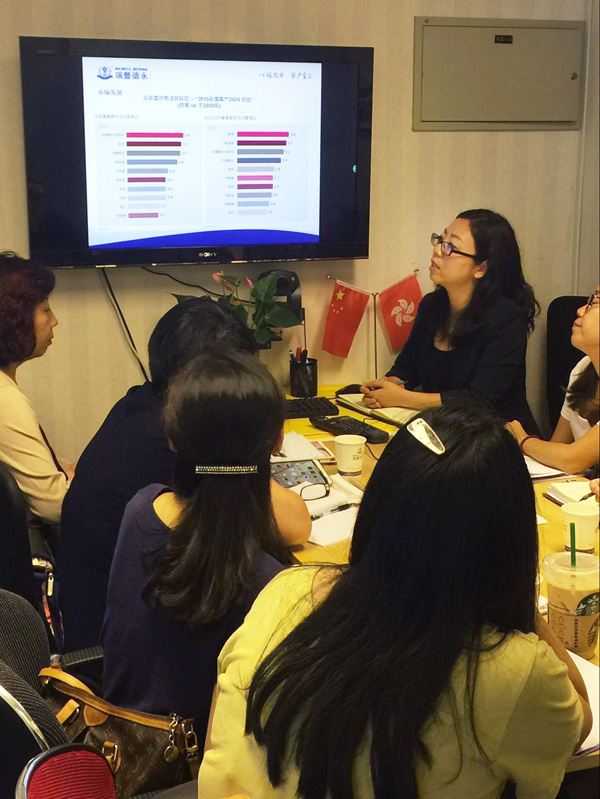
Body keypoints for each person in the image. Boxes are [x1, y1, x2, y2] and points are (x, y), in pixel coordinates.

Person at [198, 403, 592, 799]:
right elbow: (578, 721)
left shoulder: (287, 588)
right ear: (510, 540)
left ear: (377, 509)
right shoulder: (516, 672)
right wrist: (515, 595)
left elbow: (219, 718)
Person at [59, 298, 310, 669]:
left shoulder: (137, 405)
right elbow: (297, 525)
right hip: (123, 664)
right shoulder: (176, 442)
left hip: (116, 636)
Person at [102, 351, 295, 749]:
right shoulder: (270, 584)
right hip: (193, 767)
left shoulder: (140, 509)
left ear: (174, 441)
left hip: (120, 743)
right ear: (278, 442)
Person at [360, 210, 539, 431]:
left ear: (481, 268)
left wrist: (402, 398)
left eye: (450, 247)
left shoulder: (507, 319)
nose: (437, 250)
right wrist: (386, 387)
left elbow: (480, 402)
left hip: (496, 435)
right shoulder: (432, 305)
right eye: (440, 240)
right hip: (442, 429)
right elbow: (406, 368)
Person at [0, 251, 73, 523]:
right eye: (45, 310)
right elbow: (55, 506)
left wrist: (65, 469)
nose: (54, 320)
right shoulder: (5, 399)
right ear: (14, 320)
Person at [507, 288, 599, 474]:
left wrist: (523, 439)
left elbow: (571, 459)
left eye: (595, 303)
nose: (580, 310)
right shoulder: (584, 368)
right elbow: (558, 446)